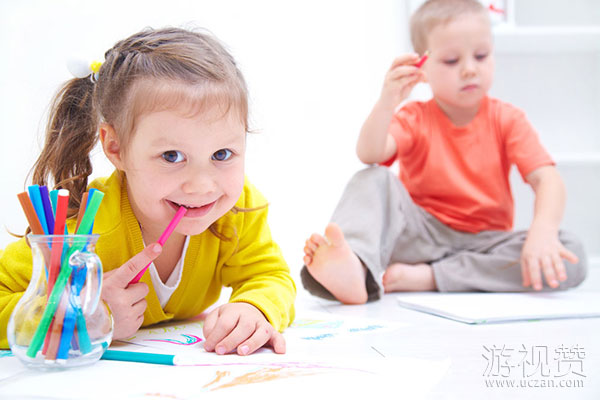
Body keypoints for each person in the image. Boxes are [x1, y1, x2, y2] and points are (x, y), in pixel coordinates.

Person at [0, 27, 296, 355]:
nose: (201, 185)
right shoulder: (80, 228)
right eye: (172, 156)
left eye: (221, 155)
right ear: (116, 147)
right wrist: (87, 314)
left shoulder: (238, 207)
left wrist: (255, 308)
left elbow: (270, 274)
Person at [301, 0, 587, 304]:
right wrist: (388, 101)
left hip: (485, 245)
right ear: (421, 69)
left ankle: (432, 277)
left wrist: (543, 232)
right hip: (418, 239)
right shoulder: (414, 117)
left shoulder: (508, 119)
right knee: (372, 176)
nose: (469, 70)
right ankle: (356, 266)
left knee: (571, 253)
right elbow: (369, 153)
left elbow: (548, 180)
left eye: (481, 56)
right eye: (451, 60)